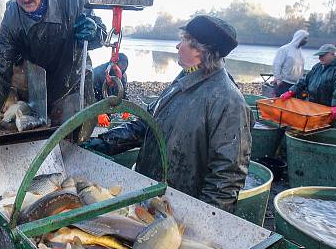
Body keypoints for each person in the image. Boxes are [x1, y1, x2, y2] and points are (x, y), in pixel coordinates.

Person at [84, 15, 252, 213]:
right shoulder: (185, 77)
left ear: (200, 50)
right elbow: (148, 123)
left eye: (183, 41)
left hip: (180, 210)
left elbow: (226, 179)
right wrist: (104, 143)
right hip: (152, 197)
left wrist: (204, 222)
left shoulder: (228, 101)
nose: (177, 47)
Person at [0, 0, 105, 134]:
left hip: (76, 82)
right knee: (44, 137)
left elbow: (101, 32)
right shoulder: (12, 15)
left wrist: (95, 31)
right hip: (41, 88)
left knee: (76, 139)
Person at [280, 44, 336, 121]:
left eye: (322, 55)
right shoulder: (317, 66)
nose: (319, 58)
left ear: (332, 54)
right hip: (312, 104)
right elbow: (304, 80)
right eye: (319, 55)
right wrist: (291, 91)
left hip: (327, 108)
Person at [272, 30, 309, 96]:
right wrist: (278, 79)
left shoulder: (300, 53)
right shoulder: (284, 49)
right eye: (305, 38)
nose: (306, 40)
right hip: (284, 83)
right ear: (299, 38)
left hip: (296, 85)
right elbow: (277, 64)